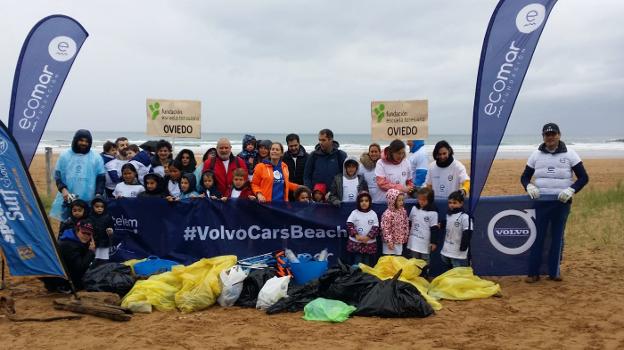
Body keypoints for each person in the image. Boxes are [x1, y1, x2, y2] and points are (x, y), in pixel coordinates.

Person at [521, 123, 589, 283]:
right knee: (539, 237)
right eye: (547, 135)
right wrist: (528, 185)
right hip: (541, 203)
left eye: (553, 134)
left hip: (562, 203)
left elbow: (584, 177)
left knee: (557, 237)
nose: (550, 137)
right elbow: (524, 177)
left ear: (559, 135)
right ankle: (533, 273)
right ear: (543, 137)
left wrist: (571, 190)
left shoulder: (570, 154)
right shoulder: (535, 155)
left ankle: (554, 272)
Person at [50, 129, 106, 221]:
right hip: (68, 199)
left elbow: (101, 178)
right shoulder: (64, 155)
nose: (84, 143)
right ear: (75, 140)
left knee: (87, 228)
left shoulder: (96, 157)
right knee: (67, 228)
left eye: (87, 141)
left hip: (89, 200)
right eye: (81, 140)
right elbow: (58, 176)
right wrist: (63, 190)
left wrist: (98, 195)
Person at [42, 219, 96, 292]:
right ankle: (63, 287)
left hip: (59, 275)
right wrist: (91, 252)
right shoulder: (69, 245)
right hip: (57, 280)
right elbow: (80, 268)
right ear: (77, 231)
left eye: (89, 234)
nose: (86, 236)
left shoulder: (74, 239)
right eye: (83, 232)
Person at [407, 187, 440, 265]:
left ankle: (424, 274)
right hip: (414, 240)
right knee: (413, 259)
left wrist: (434, 242)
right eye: (419, 199)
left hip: (425, 242)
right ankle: (414, 275)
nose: (421, 202)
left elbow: (434, 228)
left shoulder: (433, 212)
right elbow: (409, 223)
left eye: (424, 200)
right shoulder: (414, 208)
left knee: (425, 260)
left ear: (430, 200)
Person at [346, 192, 379, 266]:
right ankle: (357, 276)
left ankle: (366, 276)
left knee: (367, 263)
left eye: (366, 201)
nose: (364, 203)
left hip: (369, 243)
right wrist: (356, 235)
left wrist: (368, 237)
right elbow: (349, 224)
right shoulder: (354, 213)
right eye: (361, 201)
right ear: (358, 202)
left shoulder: (373, 214)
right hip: (356, 243)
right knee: (357, 262)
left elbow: (375, 227)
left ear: (369, 202)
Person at [381, 188, 409, 256]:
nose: (401, 202)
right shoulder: (387, 214)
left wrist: (405, 236)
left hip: (399, 241)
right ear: (392, 201)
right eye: (399, 200)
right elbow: (385, 229)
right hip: (389, 243)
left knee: (398, 260)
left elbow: (406, 224)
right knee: (389, 261)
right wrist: (389, 241)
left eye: (402, 200)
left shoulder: (403, 211)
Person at [89, 197, 114, 263]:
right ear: (92, 207)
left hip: (104, 242)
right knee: (92, 260)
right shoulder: (90, 217)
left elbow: (112, 226)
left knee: (103, 260)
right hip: (93, 242)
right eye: (97, 206)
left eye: (102, 207)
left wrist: (111, 231)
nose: (99, 208)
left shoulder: (108, 216)